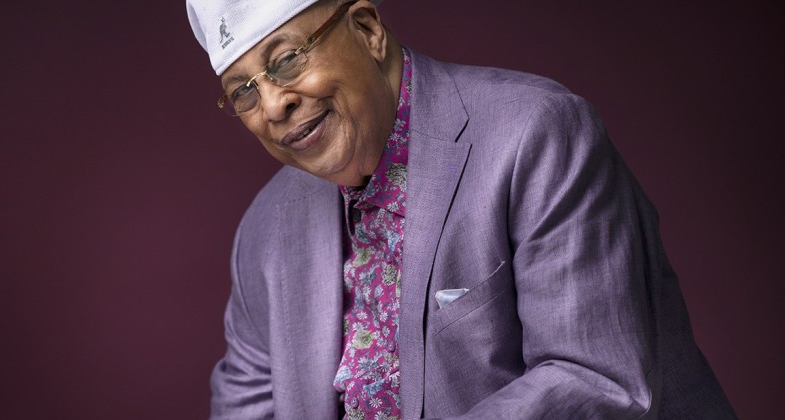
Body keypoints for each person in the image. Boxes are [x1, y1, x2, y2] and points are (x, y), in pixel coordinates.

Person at [186, 0, 736, 418]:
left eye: (286, 60)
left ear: (367, 30)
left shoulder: (535, 135)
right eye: (243, 92)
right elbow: (247, 405)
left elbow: (595, 380)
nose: (274, 104)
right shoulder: (266, 227)